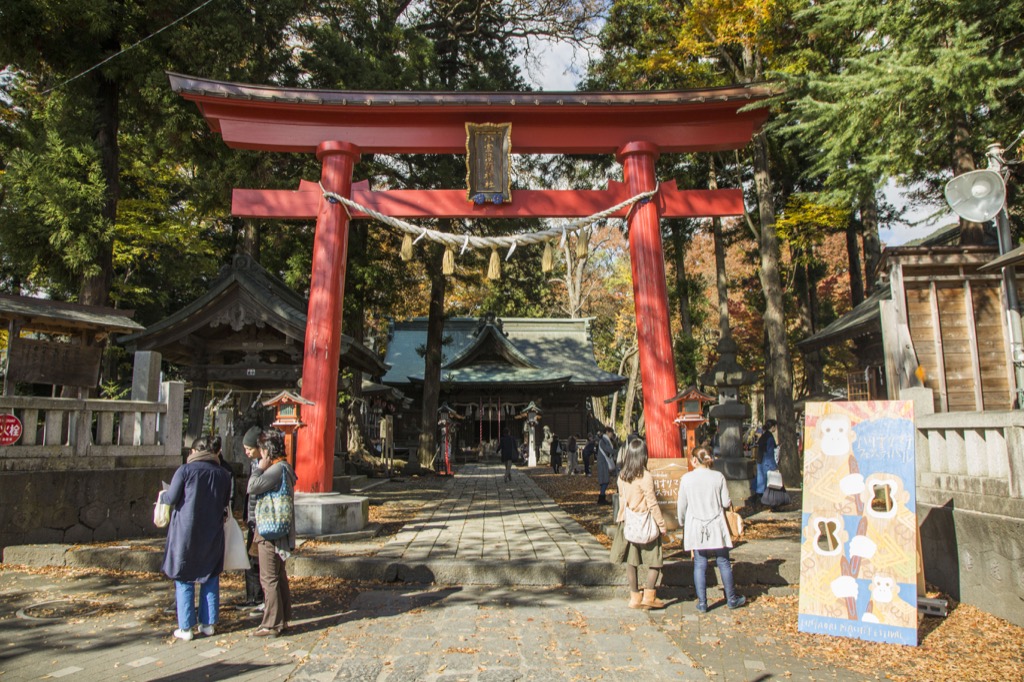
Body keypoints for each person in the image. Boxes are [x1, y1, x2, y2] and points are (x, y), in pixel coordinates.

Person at [161, 435, 233, 641]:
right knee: (210, 575)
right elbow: (225, 501)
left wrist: (163, 496)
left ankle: (185, 627)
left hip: (186, 531)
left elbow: (172, 497)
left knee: (184, 576)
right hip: (212, 529)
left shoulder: (185, 470)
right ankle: (208, 623)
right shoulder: (223, 474)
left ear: (194, 451)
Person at [677, 446, 746, 613]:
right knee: (723, 562)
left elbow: (682, 506)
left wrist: (682, 521)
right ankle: (731, 598)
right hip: (716, 523)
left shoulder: (686, 479)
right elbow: (725, 502)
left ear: (694, 460)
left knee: (700, 564)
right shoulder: (718, 477)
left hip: (697, 523)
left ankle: (702, 602)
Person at [248, 429, 297, 637]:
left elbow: (252, 486)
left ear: (267, 450)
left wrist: (259, 468)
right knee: (278, 575)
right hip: (280, 529)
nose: (259, 453)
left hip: (270, 530)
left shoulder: (276, 469)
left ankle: (271, 623)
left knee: (268, 577)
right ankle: (283, 619)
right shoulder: (285, 468)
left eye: (261, 449)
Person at [615, 438, 669, 609]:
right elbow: (652, 503)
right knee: (655, 560)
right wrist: (661, 524)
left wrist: (621, 518)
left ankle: (634, 597)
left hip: (629, 521)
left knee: (632, 561)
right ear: (643, 455)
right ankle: (649, 594)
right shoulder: (645, 476)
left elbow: (622, 500)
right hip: (645, 520)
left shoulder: (622, 476)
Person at [240, 426, 265, 610]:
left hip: (260, 519)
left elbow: (254, 490)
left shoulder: (264, 465)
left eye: (249, 449)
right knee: (251, 559)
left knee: (256, 560)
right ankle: (253, 597)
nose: (247, 453)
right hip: (252, 518)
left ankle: (258, 598)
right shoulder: (255, 463)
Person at [753, 420, 779, 501]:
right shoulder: (770, 438)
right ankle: (765, 501)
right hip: (767, 463)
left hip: (760, 461)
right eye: (775, 426)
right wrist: (774, 466)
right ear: (773, 427)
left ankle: (757, 498)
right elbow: (770, 453)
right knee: (768, 483)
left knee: (760, 481)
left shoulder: (764, 436)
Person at [596, 427, 617, 505]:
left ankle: (602, 497)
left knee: (605, 481)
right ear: (607, 432)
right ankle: (601, 498)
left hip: (604, 462)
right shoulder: (603, 441)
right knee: (605, 481)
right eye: (611, 432)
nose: (612, 434)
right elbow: (608, 450)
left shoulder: (604, 440)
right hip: (603, 463)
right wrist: (617, 451)